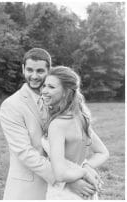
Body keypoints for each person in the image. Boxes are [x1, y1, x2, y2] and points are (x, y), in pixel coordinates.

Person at [0, 48, 100, 200]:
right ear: (23, 69)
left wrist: (83, 166)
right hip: (29, 190)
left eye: (40, 71)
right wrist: (67, 181)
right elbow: (25, 153)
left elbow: (77, 142)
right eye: (29, 70)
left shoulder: (60, 101)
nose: (34, 76)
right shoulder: (11, 105)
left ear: (49, 70)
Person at [41, 66, 109, 199]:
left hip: (64, 195)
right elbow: (103, 152)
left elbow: (60, 174)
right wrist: (86, 167)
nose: (44, 91)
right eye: (44, 86)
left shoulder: (57, 124)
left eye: (51, 87)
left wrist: (84, 172)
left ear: (66, 92)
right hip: (83, 192)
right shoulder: (81, 117)